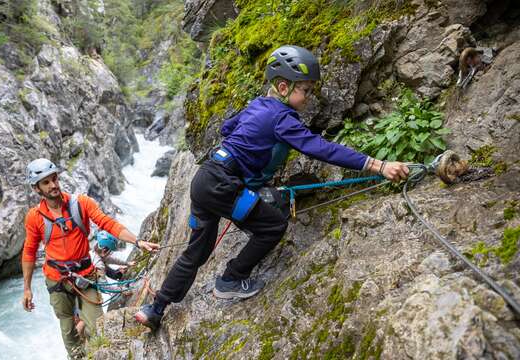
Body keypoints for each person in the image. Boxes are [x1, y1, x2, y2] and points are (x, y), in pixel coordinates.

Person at [134, 45, 410, 330]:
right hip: (224, 186)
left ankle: (155, 309)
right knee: (273, 226)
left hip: (205, 179)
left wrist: (250, 154)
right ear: (283, 86)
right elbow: (320, 149)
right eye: (305, 89)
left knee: (196, 252)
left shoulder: (257, 105)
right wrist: (377, 165)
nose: (308, 96)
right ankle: (230, 279)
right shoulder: (282, 118)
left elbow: (227, 128)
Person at [21, 158, 159, 359]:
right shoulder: (34, 217)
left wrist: (137, 242)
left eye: (54, 179)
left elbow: (107, 223)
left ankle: (90, 347)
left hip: (85, 275)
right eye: (46, 182)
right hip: (57, 279)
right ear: (37, 189)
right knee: (67, 327)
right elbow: (29, 251)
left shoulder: (81, 204)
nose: (53, 185)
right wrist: (26, 288)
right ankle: (76, 356)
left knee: (96, 327)